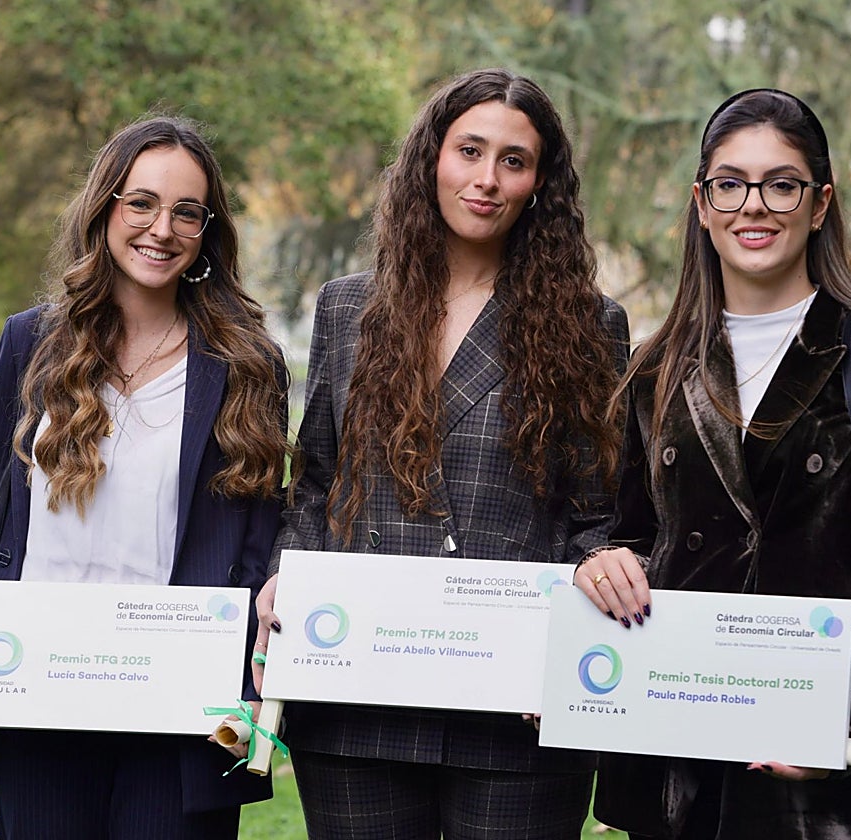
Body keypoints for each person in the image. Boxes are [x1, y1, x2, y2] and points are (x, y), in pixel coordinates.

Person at [575, 88, 851, 839]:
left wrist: (843, 714)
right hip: (672, 773)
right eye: (730, 183)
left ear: (820, 202)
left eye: (782, 183)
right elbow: (633, 536)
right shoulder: (654, 370)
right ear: (702, 204)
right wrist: (604, 563)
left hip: (819, 784)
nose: (753, 206)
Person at [250, 67, 629, 840]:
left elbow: (600, 514)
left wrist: (594, 589)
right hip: (358, 696)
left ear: (540, 184)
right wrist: (289, 573)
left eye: (513, 161)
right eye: (470, 151)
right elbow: (316, 482)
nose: (486, 179)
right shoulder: (350, 307)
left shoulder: (590, 324)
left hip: (518, 708)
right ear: (432, 158)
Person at [0, 115, 288, 838]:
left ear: (207, 231)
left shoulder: (248, 363)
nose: (162, 228)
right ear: (105, 208)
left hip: (185, 703)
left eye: (187, 211)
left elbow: (263, 526)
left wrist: (253, 665)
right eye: (141, 202)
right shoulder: (31, 341)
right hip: (39, 690)